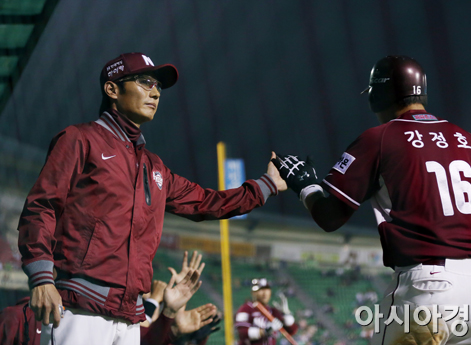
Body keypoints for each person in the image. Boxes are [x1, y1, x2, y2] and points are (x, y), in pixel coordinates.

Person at [17, 52, 286, 345]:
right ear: (112, 90)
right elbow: (41, 206)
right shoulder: (79, 139)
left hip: (131, 317)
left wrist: (267, 184)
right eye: (145, 82)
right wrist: (41, 277)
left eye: (158, 86)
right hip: (79, 310)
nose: (155, 92)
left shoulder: (154, 166)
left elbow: (207, 202)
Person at [274, 55, 471, 345]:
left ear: (379, 94)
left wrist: (305, 186)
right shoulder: (468, 139)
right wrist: (470, 259)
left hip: (426, 288)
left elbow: (330, 217)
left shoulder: (381, 137)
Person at [235, 278, 298, 345]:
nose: (264, 293)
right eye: (261, 290)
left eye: (267, 289)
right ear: (253, 293)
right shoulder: (246, 308)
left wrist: (286, 314)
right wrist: (265, 331)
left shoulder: (273, 311)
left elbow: (291, 331)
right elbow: (241, 333)